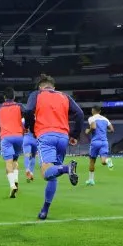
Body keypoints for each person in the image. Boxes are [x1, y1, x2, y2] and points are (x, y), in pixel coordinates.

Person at [23, 73, 85, 220]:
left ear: (40, 87)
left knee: (46, 173)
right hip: (63, 138)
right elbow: (80, 114)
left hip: (46, 136)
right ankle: (45, 210)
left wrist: (32, 128)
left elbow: (27, 111)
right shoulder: (64, 95)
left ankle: (67, 168)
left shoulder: (36, 95)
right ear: (53, 87)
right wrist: (74, 135)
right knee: (53, 175)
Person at [0, 87, 25, 198]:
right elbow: (28, 114)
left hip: (6, 137)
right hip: (19, 137)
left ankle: (12, 185)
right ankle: (16, 180)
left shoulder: (0, 108)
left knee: (8, 162)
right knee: (15, 160)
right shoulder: (19, 106)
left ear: (4, 97)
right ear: (14, 97)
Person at [84, 105, 114, 186]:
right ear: (100, 111)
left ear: (93, 111)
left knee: (92, 161)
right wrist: (104, 131)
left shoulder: (92, 118)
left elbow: (93, 127)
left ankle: (91, 180)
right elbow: (112, 130)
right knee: (103, 162)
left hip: (95, 142)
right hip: (104, 142)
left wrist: (87, 131)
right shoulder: (105, 119)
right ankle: (108, 161)